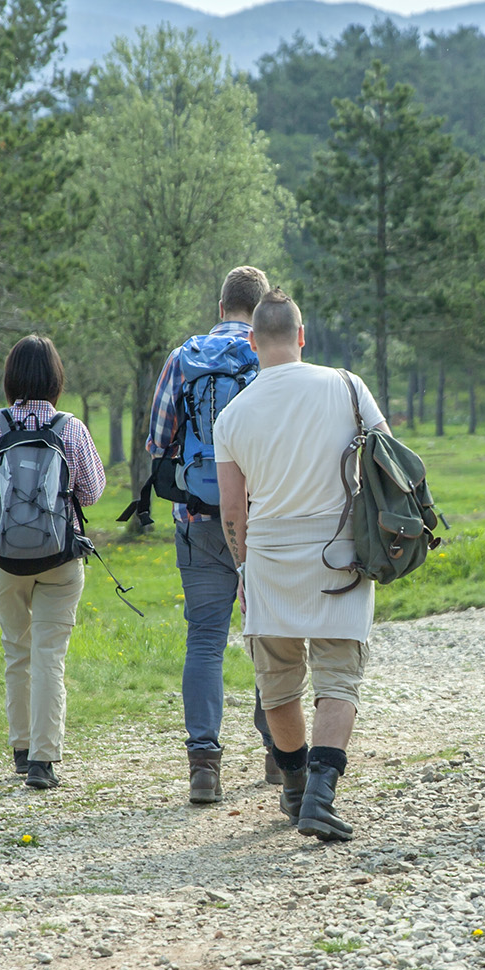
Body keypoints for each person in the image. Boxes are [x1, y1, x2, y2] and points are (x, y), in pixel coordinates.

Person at [212, 289, 390, 842]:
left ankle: (293, 786)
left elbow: (233, 509)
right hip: (340, 554)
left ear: (251, 342)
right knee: (339, 678)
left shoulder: (232, 414)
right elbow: (387, 464)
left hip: (267, 557)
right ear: (302, 336)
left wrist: (242, 569)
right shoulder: (347, 386)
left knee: (279, 683)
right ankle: (319, 796)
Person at [145, 266, 279, 804]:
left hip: (198, 518)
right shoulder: (266, 357)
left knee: (204, 640)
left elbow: (158, 441)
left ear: (220, 304)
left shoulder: (184, 358)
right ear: (262, 307)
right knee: (271, 634)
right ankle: (278, 750)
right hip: (262, 519)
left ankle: (204, 765)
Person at [0, 335, 106, 790]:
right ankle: (44, 762)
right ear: (56, 379)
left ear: (10, 379)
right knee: (49, 656)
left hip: (4, 559)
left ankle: (21, 750)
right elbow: (93, 492)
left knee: (16, 652)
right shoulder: (71, 428)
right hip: (61, 559)